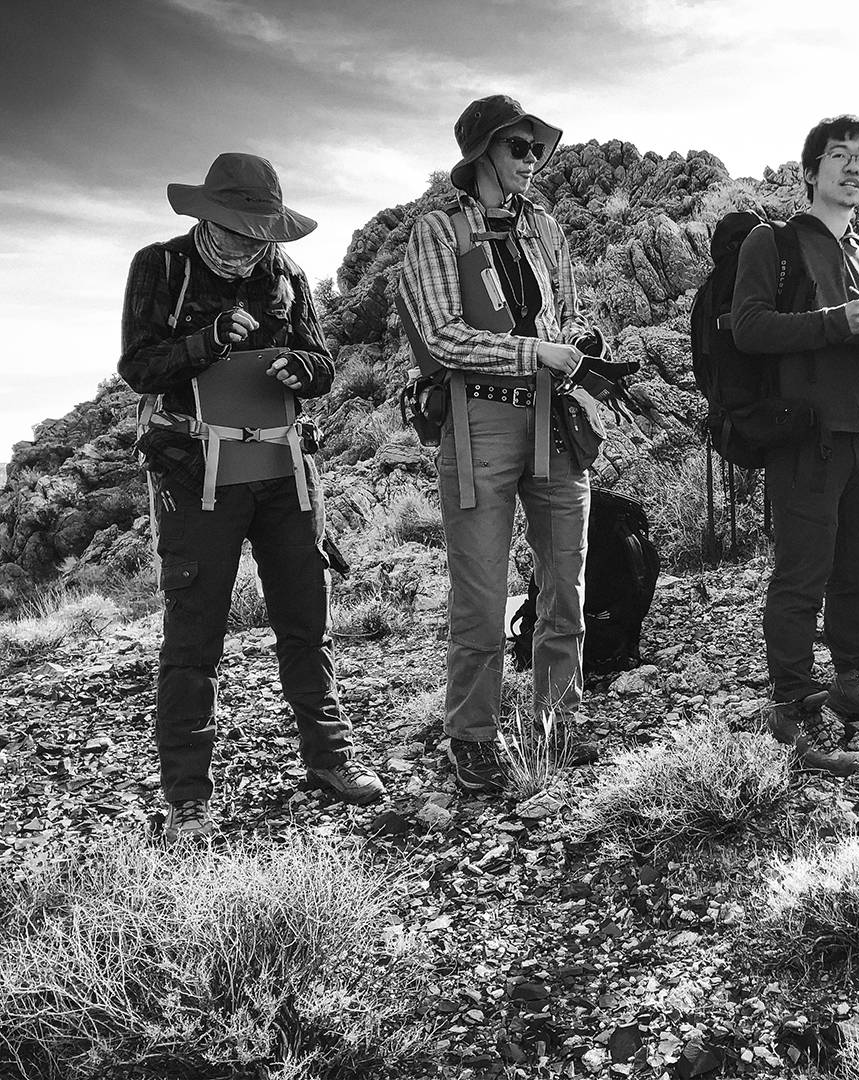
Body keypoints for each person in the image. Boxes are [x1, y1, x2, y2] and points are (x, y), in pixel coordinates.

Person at [120, 153, 385, 842]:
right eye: (238, 229)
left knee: (306, 619)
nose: (249, 244)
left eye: (260, 230)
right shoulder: (162, 267)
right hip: (193, 476)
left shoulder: (288, 274)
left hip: (283, 468)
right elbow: (137, 366)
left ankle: (329, 758)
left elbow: (323, 366)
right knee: (195, 633)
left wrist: (300, 367)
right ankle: (188, 797)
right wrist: (205, 343)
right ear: (208, 218)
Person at [399, 95, 600, 794]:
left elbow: (572, 310)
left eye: (535, 147)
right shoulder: (435, 231)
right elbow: (441, 335)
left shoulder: (545, 226)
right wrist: (534, 353)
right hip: (479, 418)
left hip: (554, 415)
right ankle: (473, 736)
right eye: (518, 146)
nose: (531, 158)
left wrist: (578, 346)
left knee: (565, 583)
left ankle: (557, 720)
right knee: (481, 596)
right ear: (482, 152)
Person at [731, 113, 859, 777]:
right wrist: (836, 319)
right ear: (811, 170)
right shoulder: (774, 242)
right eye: (838, 156)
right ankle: (791, 703)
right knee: (801, 576)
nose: (852, 168)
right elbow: (749, 329)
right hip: (803, 436)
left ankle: (852, 678)